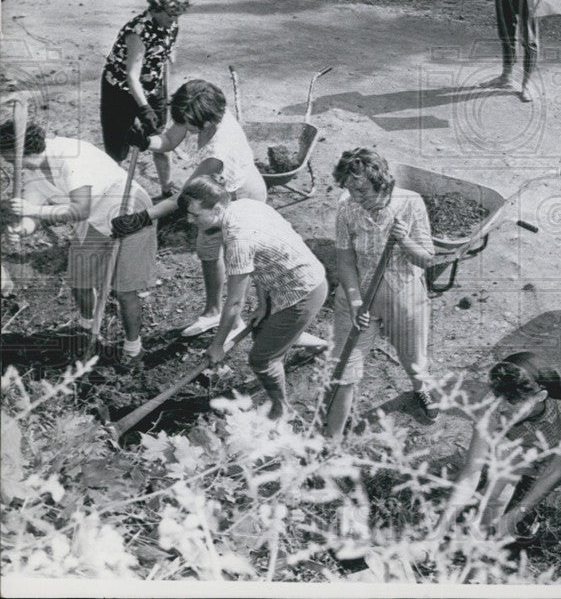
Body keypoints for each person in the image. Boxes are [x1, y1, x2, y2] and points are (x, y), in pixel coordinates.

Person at [111, 79, 265, 341]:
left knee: (238, 259)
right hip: (216, 190)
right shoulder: (201, 108)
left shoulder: (219, 151)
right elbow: (170, 139)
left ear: (206, 122)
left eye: (189, 123)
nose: (184, 126)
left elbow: (185, 197)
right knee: (207, 251)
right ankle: (213, 311)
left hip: (241, 195)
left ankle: (240, 318)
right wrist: (146, 141)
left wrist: (143, 217)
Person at [435, 351, 561, 553]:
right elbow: (471, 472)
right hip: (527, 424)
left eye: (511, 402)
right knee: (510, 465)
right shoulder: (497, 403)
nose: (500, 408)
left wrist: (517, 513)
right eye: (498, 398)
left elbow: (555, 470)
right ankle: (488, 523)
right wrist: (437, 534)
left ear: (540, 396)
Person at [0, 121, 156, 358]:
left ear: (19, 151)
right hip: (94, 219)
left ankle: (133, 348)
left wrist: (34, 210)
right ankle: (87, 327)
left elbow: (80, 209)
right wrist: (23, 227)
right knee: (80, 279)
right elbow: (34, 214)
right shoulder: (31, 172)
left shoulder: (70, 156)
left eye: (8, 157)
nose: (6, 162)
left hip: (127, 209)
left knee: (125, 290)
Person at [176, 176, 327, 420]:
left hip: (302, 291)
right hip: (288, 280)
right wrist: (263, 302)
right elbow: (263, 260)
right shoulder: (244, 205)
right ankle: (320, 344)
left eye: (195, 215)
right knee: (264, 331)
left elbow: (235, 303)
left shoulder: (238, 239)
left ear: (216, 209)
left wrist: (217, 345)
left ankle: (281, 409)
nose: (189, 220)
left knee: (262, 359)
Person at [322, 148, 438, 443]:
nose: (354, 194)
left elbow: (427, 259)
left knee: (412, 355)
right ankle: (331, 438)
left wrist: (404, 240)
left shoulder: (410, 203)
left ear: (382, 183)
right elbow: (345, 260)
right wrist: (355, 299)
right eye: (348, 187)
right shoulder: (347, 207)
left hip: (404, 293)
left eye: (360, 188)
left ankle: (419, 385)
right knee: (344, 367)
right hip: (359, 292)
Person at [101, 0, 190, 198]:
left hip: (152, 86)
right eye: (170, 16)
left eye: (177, 16)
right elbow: (131, 76)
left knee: (160, 139)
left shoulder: (171, 24)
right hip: (120, 90)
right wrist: (144, 109)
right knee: (117, 147)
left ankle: (167, 189)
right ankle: (111, 192)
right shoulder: (137, 31)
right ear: (156, 9)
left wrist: (167, 93)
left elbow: (167, 57)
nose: (174, 21)